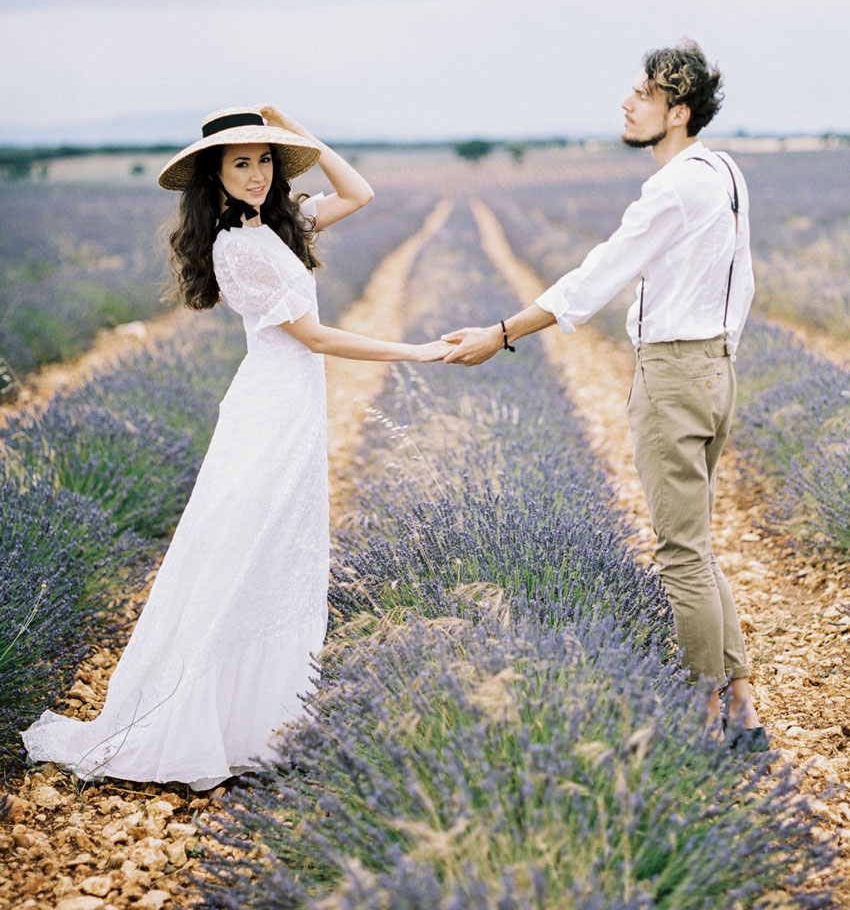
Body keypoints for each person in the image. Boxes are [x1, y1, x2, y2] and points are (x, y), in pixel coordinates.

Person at [23, 105, 451, 789]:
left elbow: (361, 194)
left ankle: (261, 722)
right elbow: (314, 338)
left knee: (279, 550)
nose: (256, 175)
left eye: (264, 161)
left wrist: (301, 133)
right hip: (269, 412)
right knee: (248, 549)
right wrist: (416, 351)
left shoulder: (277, 225)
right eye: (240, 164)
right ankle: (214, 721)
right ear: (215, 179)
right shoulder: (240, 247)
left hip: (290, 408)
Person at [442, 41, 768, 751]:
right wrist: (721, 357)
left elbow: (591, 281)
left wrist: (500, 333)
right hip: (717, 371)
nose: (627, 101)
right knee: (699, 548)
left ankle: (703, 721)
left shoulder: (674, 186)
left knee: (681, 555)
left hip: (676, 376)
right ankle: (742, 708)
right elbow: (743, 281)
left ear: (676, 112)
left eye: (643, 94)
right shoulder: (725, 171)